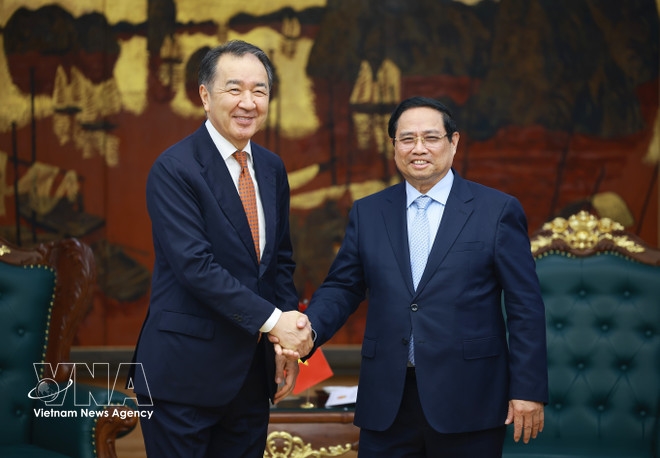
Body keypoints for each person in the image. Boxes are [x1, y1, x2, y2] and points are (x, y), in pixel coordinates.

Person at [301, 96, 548, 457]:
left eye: (431, 138)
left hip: (469, 398)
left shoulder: (496, 211)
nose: (419, 149)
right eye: (407, 139)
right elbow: (343, 286)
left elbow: (525, 306)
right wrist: (306, 332)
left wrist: (527, 388)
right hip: (388, 400)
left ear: (453, 142)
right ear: (394, 146)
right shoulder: (368, 212)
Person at [129, 40, 313, 458]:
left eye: (260, 90)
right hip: (184, 376)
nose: (248, 102)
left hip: (251, 378)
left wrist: (285, 350)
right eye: (234, 89)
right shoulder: (175, 168)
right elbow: (196, 267)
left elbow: (279, 263)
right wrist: (275, 323)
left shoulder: (271, 167)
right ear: (205, 95)